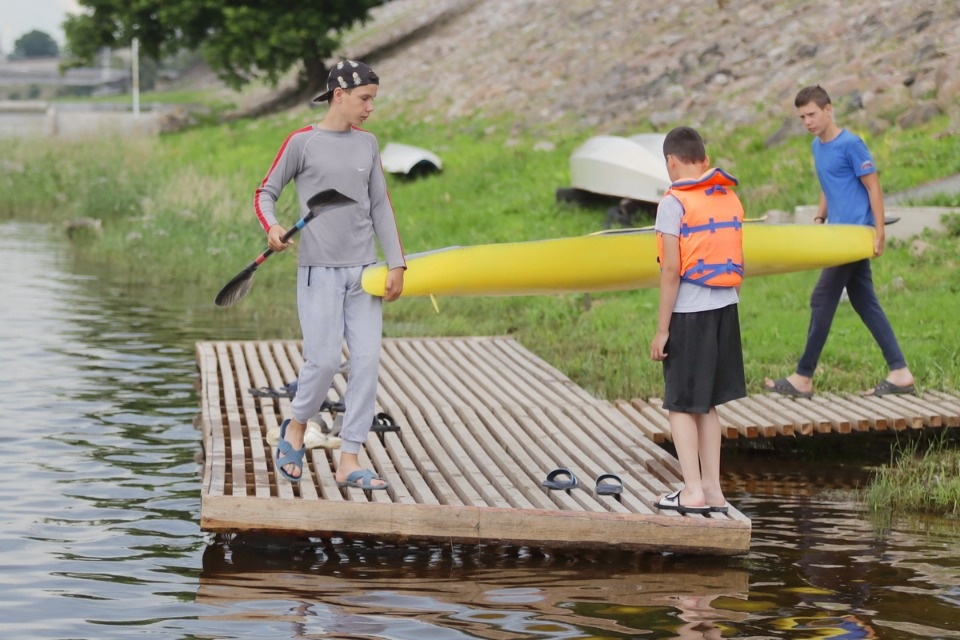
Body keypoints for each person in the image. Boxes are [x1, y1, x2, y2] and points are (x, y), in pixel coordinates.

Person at [253, 59, 406, 489]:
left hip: (365, 272)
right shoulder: (302, 143)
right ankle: (297, 426)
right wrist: (274, 228)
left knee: (366, 362)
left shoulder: (369, 144)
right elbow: (265, 193)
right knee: (321, 362)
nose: (370, 107)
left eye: (373, 99)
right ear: (339, 95)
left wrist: (395, 262)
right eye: (365, 98)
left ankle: (350, 456)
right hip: (318, 270)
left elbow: (380, 205)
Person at [764, 85, 915, 399]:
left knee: (821, 298)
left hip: (854, 235)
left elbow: (873, 187)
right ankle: (900, 371)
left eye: (812, 114)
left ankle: (803, 376)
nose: (807, 121)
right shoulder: (818, 146)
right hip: (836, 235)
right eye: (802, 116)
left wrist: (879, 232)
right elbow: (828, 185)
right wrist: (820, 218)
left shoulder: (851, 144)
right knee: (864, 301)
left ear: (828, 110)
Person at [650, 126, 746, 514]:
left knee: (680, 404)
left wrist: (661, 330)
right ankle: (713, 490)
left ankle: (691, 492)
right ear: (704, 161)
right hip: (726, 308)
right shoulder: (726, 195)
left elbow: (671, 270)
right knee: (706, 404)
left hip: (690, 313)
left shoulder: (673, 203)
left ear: (671, 162)